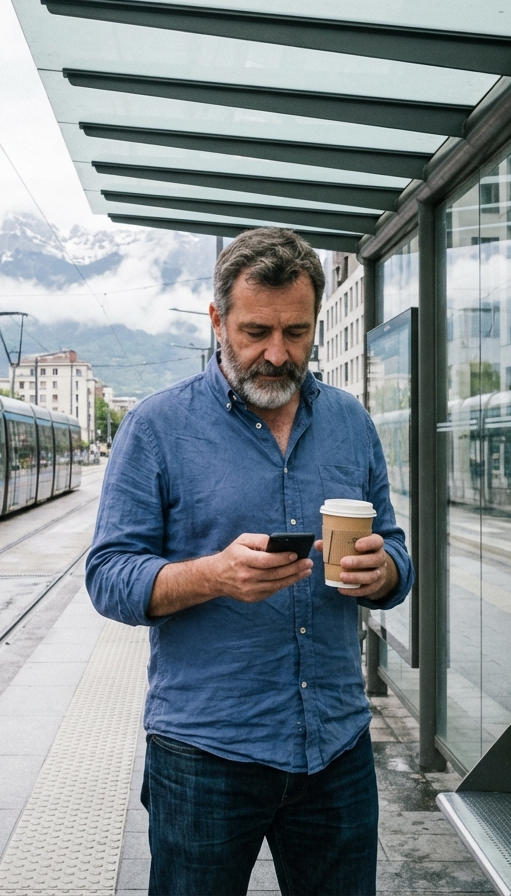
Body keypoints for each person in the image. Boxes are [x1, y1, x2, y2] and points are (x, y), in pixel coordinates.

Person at [86, 228, 413, 896]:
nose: (276, 353)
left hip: (336, 744)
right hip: (206, 753)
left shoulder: (352, 423)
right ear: (217, 321)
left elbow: (395, 548)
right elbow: (108, 574)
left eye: (296, 332)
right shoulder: (156, 426)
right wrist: (213, 575)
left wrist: (387, 574)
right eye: (256, 330)